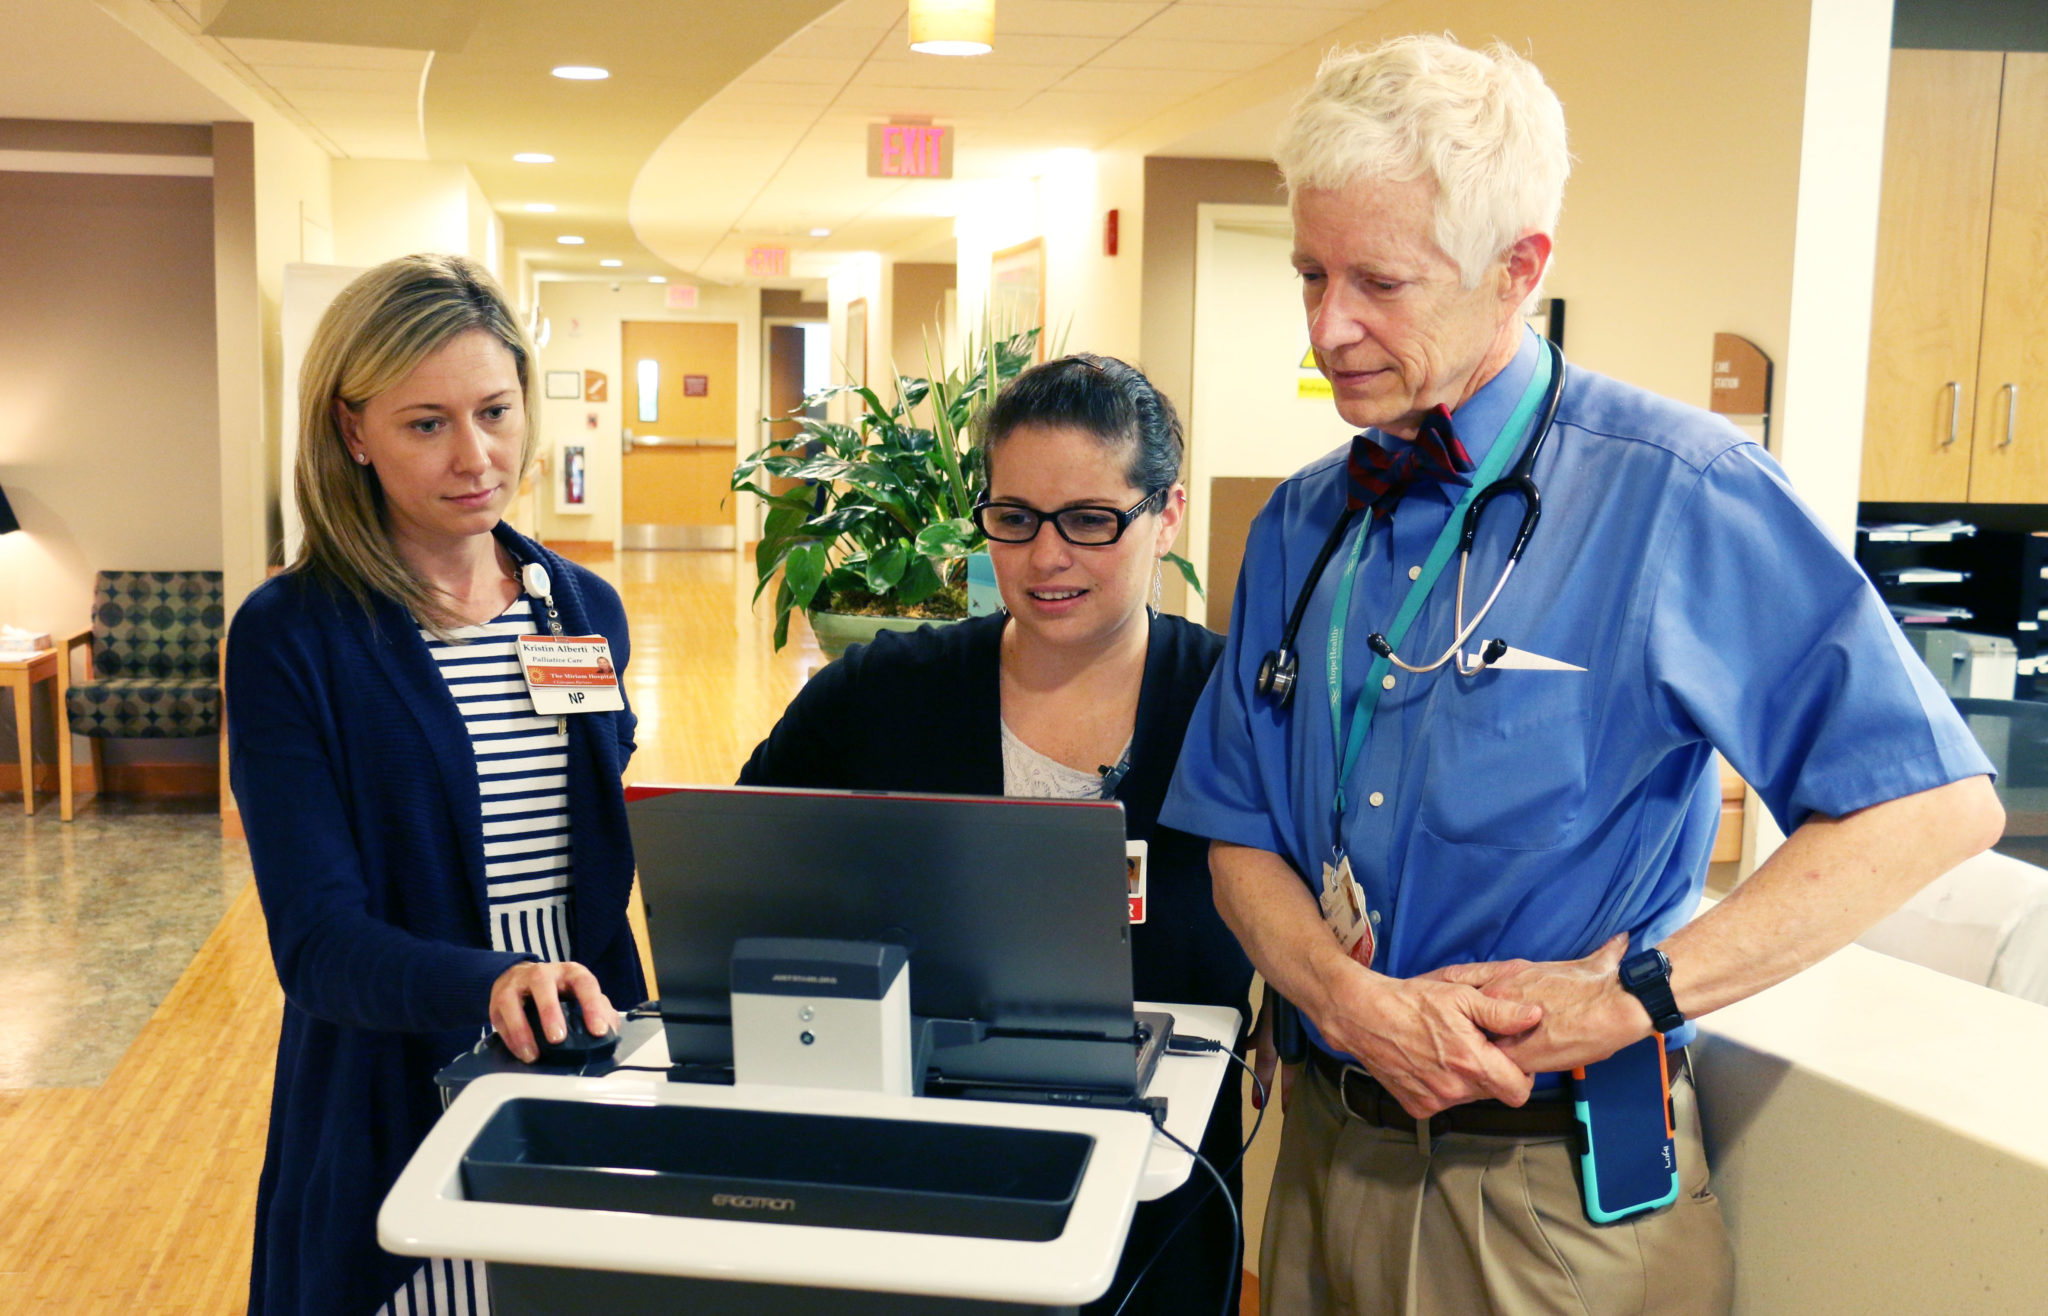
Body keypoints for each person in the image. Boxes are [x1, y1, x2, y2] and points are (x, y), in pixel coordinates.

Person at [1160, 36, 2003, 1316]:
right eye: (1310, 273)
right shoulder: (1300, 523)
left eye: (1378, 281)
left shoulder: (1680, 498)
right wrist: (1341, 995)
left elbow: (1934, 805)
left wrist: (1635, 991)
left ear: (1519, 270)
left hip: (1549, 1201)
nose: (1327, 326)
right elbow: (1233, 838)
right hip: (1326, 1162)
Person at [740, 353, 1252, 1315]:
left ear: (1167, 511)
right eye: (1014, 520)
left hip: (1158, 1189)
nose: (1045, 558)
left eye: (1091, 522)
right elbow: (742, 860)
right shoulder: (886, 692)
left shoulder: (1232, 710)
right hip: (924, 1178)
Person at [226, 254, 646, 1315]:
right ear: (351, 429)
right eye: (427, 424)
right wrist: (490, 981)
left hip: (584, 1057)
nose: (477, 456)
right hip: (398, 1070)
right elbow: (316, 941)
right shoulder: (294, 636)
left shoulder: (577, 606)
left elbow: (594, 846)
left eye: (495, 410)